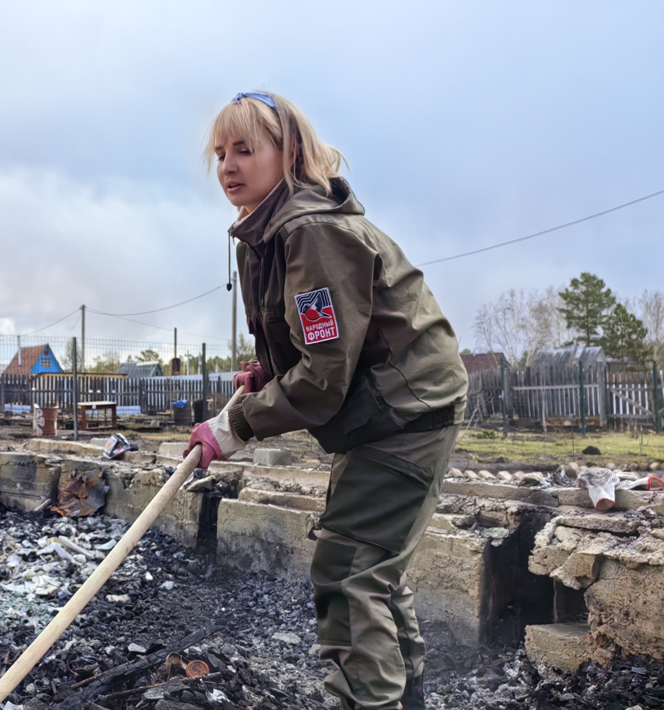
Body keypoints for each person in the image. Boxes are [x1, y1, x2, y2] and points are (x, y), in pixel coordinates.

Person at [186, 91, 468, 710]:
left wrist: (235, 426)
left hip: (403, 414)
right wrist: (267, 371)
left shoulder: (310, 231)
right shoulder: (270, 232)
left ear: (288, 152)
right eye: (220, 154)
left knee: (348, 568)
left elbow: (324, 375)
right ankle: (401, 697)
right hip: (380, 412)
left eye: (244, 150)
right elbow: (322, 337)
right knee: (369, 562)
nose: (228, 166)